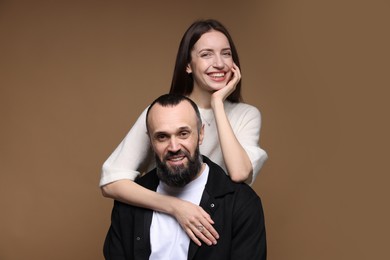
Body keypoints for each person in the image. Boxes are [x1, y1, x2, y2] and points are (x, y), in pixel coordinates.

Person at [100, 19, 268, 246]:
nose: (219, 63)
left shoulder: (246, 115)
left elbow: (239, 174)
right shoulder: (163, 113)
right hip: (162, 222)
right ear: (188, 65)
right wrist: (175, 207)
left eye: (226, 54)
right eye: (207, 54)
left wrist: (217, 102)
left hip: (215, 228)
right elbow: (112, 182)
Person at [103, 94, 267, 260]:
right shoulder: (130, 202)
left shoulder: (241, 203)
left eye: (183, 134)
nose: (174, 147)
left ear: (201, 134)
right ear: (150, 141)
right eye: (162, 137)